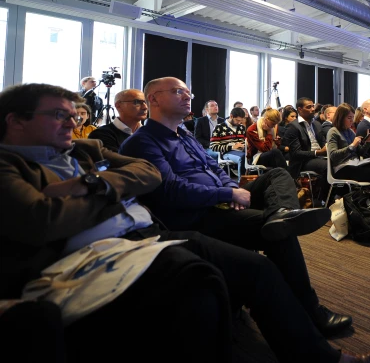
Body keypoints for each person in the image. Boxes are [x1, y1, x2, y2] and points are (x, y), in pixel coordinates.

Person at [0, 83, 370, 363]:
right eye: (59, 114)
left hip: (149, 232)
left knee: (265, 243)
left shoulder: (87, 149)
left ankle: (284, 229)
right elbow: (42, 219)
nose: (72, 121)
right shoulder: (11, 164)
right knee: (213, 278)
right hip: (138, 237)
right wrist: (107, 188)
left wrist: (90, 185)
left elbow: (149, 175)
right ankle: (283, 244)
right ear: (15, 121)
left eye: (73, 114)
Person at [119, 78, 353, 337]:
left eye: (188, 92)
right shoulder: (142, 142)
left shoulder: (183, 134)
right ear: (153, 99)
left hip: (220, 198)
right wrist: (227, 192)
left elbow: (214, 167)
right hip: (197, 215)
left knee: (276, 175)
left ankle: (282, 213)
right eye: (178, 92)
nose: (188, 97)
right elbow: (172, 191)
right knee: (279, 233)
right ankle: (310, 309)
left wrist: (231, 188)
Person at [282, 97, 329, 199]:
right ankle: (323, 199)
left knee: (339, 163)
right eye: (309, 107)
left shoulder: (316, 124)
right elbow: (296, 153)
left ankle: (338, 195)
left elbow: (322, 142)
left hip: (319, 157)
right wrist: (318, 153)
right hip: (303, 162)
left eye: (313, 106)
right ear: (300, 109)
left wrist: (327, 147)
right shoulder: (293, 127)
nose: (312, 109)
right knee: (327, 166)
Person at [326, 103, 370, 185]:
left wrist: (367, 142)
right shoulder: (333, 131)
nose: (352, 121)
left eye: (353, 117)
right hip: (342, 167)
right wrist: (352, 146)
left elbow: (361, 152)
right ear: (341, 118)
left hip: (355, 164)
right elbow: (333, 156)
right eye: (349, 118)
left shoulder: (350, 131)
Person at [210, 107, 247, 174]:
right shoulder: (219, 127)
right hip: (227, 153)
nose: (239, 122)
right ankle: (242, 182)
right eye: (237, 120)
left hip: (242, 151)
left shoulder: (242, 127)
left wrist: (245, 145)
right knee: (243, 157)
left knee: (252, 156)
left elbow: (246, 141)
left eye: (240, 121)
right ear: (231, 116)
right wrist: (232, 147)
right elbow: (213, 147)